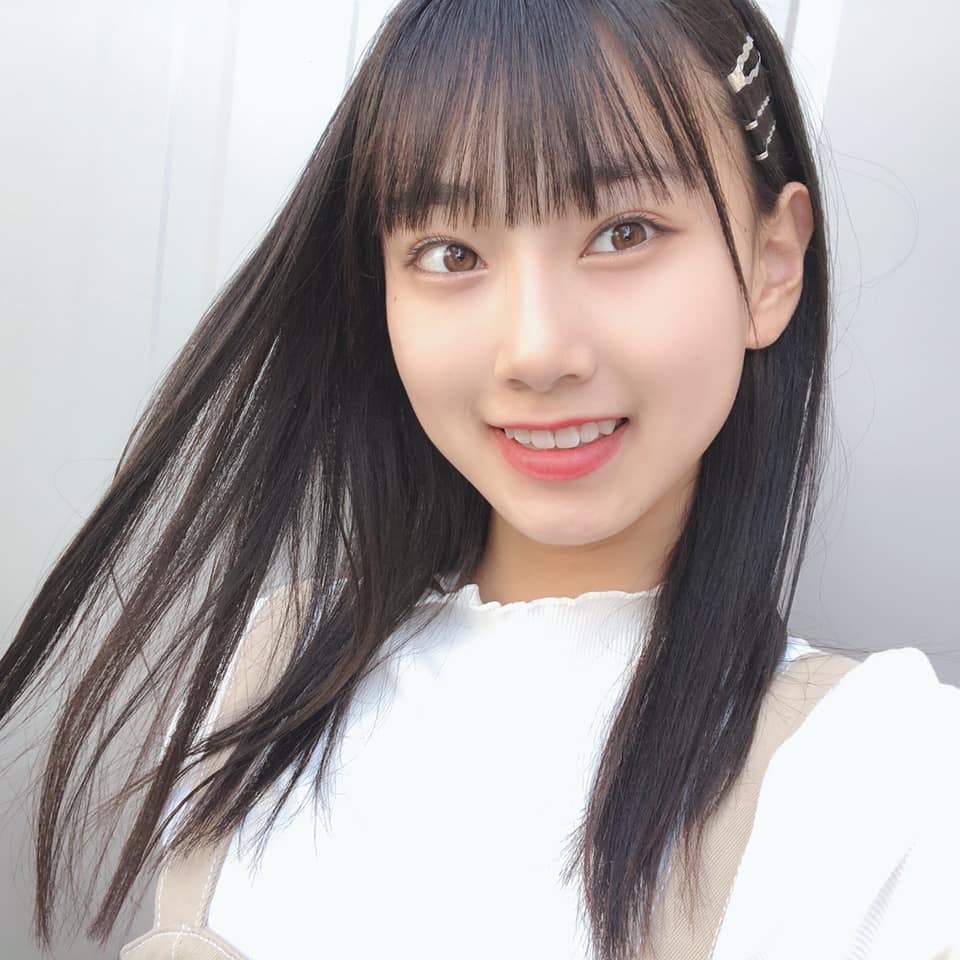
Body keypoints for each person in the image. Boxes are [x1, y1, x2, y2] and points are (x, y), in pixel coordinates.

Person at [1, 0, 957, 958]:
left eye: (624, 232)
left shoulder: (880, 784)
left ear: (770, 263)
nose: (535, 351)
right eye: (450, 254)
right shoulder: (263, 674)